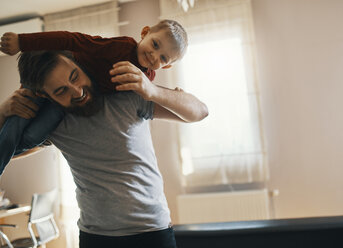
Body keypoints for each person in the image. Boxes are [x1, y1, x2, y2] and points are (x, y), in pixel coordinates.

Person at [0, 50, 208, 248]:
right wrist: (2, 113)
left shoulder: (126, 94)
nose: (77, 91)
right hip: (96, 238)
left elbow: (199, 112)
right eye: (61, 90)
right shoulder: (53, 125)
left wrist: (152, 90)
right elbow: (8, 153)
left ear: (79, 64)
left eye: (75, 76)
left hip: (152, 231)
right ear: (45, 96)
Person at [0, 19, 188, 174]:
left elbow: (158, 98)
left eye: (163, 59)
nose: (154, 56)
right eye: (155, 45)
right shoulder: (119, 47)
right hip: (46, 76)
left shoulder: (146, 78)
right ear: (145, 32)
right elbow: (71, 39)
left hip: (61, 103)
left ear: (168, 66)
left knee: (32, 137)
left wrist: (172, 96)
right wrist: (22, 42)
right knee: (12, 131)